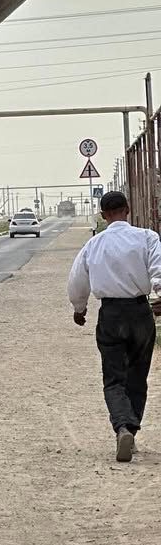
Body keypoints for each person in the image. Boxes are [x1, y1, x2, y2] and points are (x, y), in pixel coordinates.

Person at [67, 190, 161, 462]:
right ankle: (131, 428)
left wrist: (79, 308)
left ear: (102, 214)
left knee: (113, 377)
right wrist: (159, 295)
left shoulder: (94, 244)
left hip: (110, 314)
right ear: (127, 210)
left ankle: (121, 426)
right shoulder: (147, 237)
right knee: (137, 376)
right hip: (140, 312)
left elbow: (77, 280)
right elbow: (158, 268)